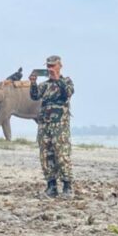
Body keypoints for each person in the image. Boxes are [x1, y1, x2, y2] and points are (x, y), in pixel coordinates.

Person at [29, 55, 75, 198]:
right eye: (48, 66)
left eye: (52, 66)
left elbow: (68, 93)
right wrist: (33, 83)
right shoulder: (45, 85)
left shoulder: (66, 81)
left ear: (59, 65)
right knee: (46, 155)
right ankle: (51, 186)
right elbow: (34, 96)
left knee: (61, 154)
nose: (50, 69)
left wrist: (57, 79)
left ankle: (67, 187)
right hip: (44, 125)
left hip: (59, 125)